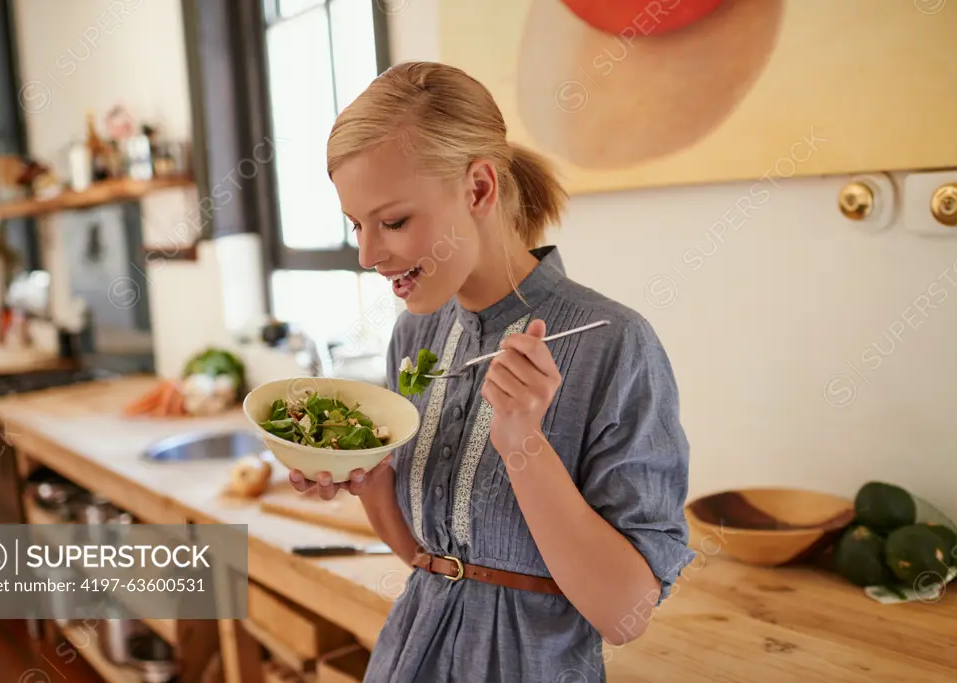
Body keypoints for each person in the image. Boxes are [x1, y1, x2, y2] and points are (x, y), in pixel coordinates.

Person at [288, 61, 695, 683]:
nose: (369, 255)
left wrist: (524, 445)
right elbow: (431, 560)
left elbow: (624, 615)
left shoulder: (613, 343)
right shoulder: (415, 334)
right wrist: (366, 480)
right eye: (357, 226)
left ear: (478, 189)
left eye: (393, 222)